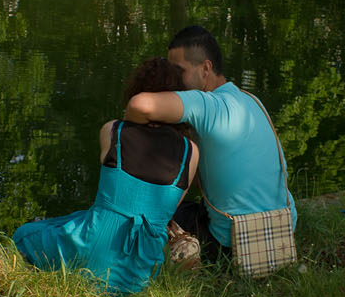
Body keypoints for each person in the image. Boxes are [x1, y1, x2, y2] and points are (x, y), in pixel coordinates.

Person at [12, 58, 201, 296]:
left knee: (24, 235)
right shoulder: (191, 152)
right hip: (141, 272)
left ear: (137, 92)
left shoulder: (113, 130)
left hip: (93, 246)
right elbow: (168, 209)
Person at [125, 25, 296, 269]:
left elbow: (139, 105)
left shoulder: (206, 105)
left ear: (206, 68)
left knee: (158, 211)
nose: (175, 81)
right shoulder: (252, 101)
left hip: (233, 245)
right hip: (281, 232)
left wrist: (125, 133)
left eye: (179, 71)